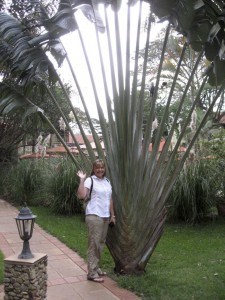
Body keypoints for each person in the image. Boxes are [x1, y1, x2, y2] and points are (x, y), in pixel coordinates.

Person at [77, 159, 116, 283]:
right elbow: (81, 195)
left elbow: (110, 199)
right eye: (97, 168)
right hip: (94, 215)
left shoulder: (107, 181)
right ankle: (92, 273)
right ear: (94, 169)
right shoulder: (90, 180)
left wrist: (112, 215)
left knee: (100, 243)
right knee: (93, 244)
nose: (100, 170)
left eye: (102, 167)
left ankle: (96, 267)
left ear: (104, 169)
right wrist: (82, 180)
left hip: (105, 216)